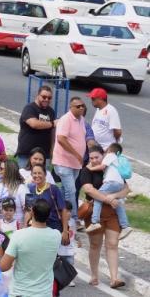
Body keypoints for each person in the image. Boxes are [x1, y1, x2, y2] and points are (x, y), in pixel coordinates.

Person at [77, 146, 131, 289]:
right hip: (95, 211)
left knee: (112, 244)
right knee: (95, 245)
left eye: (97, 157)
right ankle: (94, 275)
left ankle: (114, 278)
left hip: (113, 212)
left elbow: (126, 189)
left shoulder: (112, 168)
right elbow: (89, 190)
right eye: (91, 158)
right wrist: (109, 199)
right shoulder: (86, 171)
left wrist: (114, 196)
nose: (94, 160)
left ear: (103, 156)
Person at [0, 199, 62, 296]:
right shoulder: (56, 235)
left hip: (20, 292)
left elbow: (3, 266)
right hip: (44, 293)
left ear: (32, 212)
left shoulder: (18, 235)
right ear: (49, 215)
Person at [86, 142, 132, 239]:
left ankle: (95, 221)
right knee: (118, 203)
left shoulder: (110, 155)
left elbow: (102, 167)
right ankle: (125, 226)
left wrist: (90, 169)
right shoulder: (117, 159)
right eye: (91, 158)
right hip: (118, 183)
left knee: (98, 197)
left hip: (111, 182)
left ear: (110, 150)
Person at [52, 96, 87, 216]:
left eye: (83, 105)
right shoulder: (66, 119)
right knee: (71, 191)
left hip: (75, 163)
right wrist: (76, 154)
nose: (81, 108)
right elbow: (61, 139)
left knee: (64, 190)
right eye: (78, 106)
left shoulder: (81, 119)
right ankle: (73, 218)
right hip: (64, 162)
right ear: (71, 108)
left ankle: (57, 212)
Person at [15, 86, 54, 169]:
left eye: (49, 98)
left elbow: (52, 133)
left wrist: (52, 150)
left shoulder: (51, 111)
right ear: (38, 95)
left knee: (43, 180)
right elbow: (34, 124)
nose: (46, 99)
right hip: (26, 153)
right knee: (24, 179)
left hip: (44, 155)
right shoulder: (29, 108)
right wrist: (52, 123)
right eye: (44, 97)